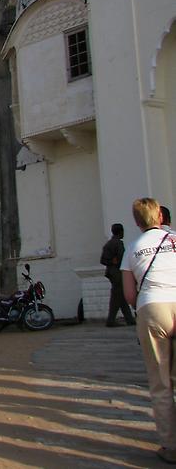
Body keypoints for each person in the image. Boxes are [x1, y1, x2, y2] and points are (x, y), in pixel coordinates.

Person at [122, 197, 176, 464]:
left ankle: (170, 446)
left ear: (136, 220)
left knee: (161, 383)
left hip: (152, 308)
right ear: (160, 217)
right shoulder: (175, 240)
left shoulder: (132, 248)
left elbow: (129, 295)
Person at [100, 223, 134, 327]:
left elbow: (103, 260)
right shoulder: (118, 243)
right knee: (116, 298)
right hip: (117, 274)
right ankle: (110, 321)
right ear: (121, 232)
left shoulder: (108, 244)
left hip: (111, 273)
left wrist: (111, 261)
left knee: (121, 298)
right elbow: (122, 258)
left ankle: (130, 320)